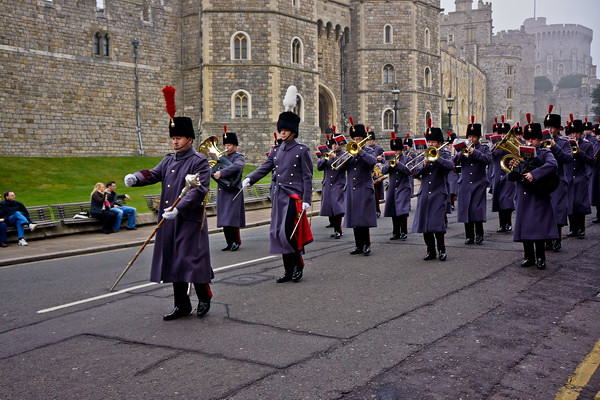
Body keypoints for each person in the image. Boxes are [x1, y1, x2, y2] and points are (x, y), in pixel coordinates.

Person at [124, 86, 214, 320]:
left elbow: (199, 190)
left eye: (178, 138)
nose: (174, 142)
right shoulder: (169, 160)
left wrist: (179, 208)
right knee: (173, 260)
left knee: (191, 260)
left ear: (189, 139)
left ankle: (204, 296)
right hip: (169, 219)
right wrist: (136, 178)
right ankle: (181, 305)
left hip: (189, 219)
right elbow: (153, 174)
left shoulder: (199, 161)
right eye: (173, 138)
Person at [243, 85, 313, 283]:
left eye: (285, 130)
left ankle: (298, 264)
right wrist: (250, 178)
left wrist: (307, 199)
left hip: (293, 197)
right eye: (281, 130)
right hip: (278, 195)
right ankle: (288, 269)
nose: (282, 133)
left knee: (289, 233)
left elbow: (307, 176)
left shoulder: (302, 150)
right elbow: (265, 167)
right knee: (277, 233)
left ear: (293, 132)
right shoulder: (276, 150)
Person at [509, 118, 558, 270]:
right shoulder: (521, 152)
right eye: (527, 139)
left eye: (533, 139)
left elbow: (553, 164)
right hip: (523, 194)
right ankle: (528, 257)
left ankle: (541, 258)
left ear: (539, 139)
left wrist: (535, 174)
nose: (530, 142)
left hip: (538, 194)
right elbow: (514, 174)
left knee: (538, 227)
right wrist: (513, 167)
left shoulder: (544, 152)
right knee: (525, 226)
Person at [411, 119, 454, 261]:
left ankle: (442, 250)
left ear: (439, 144)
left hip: (438, 193)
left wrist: (437, 158)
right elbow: (414, 173)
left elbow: (450, 166)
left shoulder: (445, 154)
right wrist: (424, 164)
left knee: (437, 224)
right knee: (425, 223)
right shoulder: (423, 154)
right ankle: (430, 251)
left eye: (433, 142)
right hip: (424, 193)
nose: (430, 144)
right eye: (429, 142)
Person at [336, 122, 378, 256]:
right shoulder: (348, 152)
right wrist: (348, 157)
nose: (356, 141)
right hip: (351, 189)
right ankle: (358, 245)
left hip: (364, 188)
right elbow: (338, 167)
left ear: (364, 139)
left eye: (359, 139)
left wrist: (359, 152)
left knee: (363, 218)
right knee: (354, 218)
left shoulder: (368, 150)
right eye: (354, 139)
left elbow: (372, 162)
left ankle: (366, 244)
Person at [453, 116, 492, 245]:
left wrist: (474, 152)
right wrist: (460, 153)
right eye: (469, 136)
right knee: (466, 209)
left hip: (478, 182)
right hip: (464, 183)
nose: (471, 139)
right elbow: (454, 162)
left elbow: (487, 160)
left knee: (477, 209)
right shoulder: (463, 149)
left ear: (478, 137)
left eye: (474, 137)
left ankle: (479, 234)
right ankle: (469, 235)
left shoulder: (484, 148)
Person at [543, 106, 573, 251]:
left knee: (557, 210)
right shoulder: (541, 141)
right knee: (545, 210)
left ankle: (557, 238)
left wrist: (554, 146)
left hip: (558, 180)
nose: (549, 130)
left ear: (558, 128)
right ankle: (547, 239)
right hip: (543, 181)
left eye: (552, 127)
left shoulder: (564, 142)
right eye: (547, 126)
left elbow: (567, 158)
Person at [214, 128, 245, 251]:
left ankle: (236, 241)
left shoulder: (239, 157)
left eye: (229, 145)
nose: (227, 147)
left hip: (233, 190)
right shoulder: (221, 157)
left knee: (232, 217)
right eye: (226, 145)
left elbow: (238, 166)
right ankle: (229, 242)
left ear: (235, 146)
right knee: (224, 217)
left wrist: (222, 172)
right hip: (223, 189)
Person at [566, 117, 594, 238]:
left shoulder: (587, 145)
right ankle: (573, 228)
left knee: (579, 203)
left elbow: (591, 161)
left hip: (580, 176)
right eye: (572, 133)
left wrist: (580, 152)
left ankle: (581, 228)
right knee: (570, 203)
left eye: (576, 133)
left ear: (581, 133)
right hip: (569, 177)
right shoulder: (565, 144)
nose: (574, 135)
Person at [382, 132, 413, 240]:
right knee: (394, 210)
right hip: (392, 187)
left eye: (397, 150)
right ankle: (396, 232)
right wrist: (390, 165)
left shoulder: (407, 159)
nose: (395, 152)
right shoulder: (390, 158)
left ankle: (404, 231)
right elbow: (383, 170)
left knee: (402, 211)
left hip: (403, 186)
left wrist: (399, 165)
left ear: (401, 150)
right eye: (394, 150)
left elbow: (410, 171)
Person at [317, 129, 346, 239]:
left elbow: (342, 166)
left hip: (338, 183)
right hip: (328, 183)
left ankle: (338, 230)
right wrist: (325, 158)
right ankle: (334, 227)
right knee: (330, 206)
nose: (334, 146)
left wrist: (335, 158)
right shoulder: (327, 154)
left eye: (336, 144)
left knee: (337, 207)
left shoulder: (344, 154)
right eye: (333, 144)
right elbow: (319, 167)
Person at [489, 117, 516, 233]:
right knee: (499, 200)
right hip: (498, 176)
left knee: (507, 200)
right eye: (502, 133)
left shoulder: (512, 145)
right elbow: (489, 156)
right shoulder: (495, 146)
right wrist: (495, 146)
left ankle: (508, 223)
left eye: (505, 133)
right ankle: (502, 224)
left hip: (508, 175)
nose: (503, 135)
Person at [367, 130, 385, 217]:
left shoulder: (379, 149)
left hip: (376, 174)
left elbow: (385, 160)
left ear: (373, 140)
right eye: (368, 140)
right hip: (368, 173)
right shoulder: (366, 149)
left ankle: (377, 210)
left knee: (376, 193)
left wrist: (380, 159)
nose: (369, 142)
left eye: (370, 140)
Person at [590, 121, 600, 223]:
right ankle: (598, 214)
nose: (599, 136)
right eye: (597, 134)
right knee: (597, 194)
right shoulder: (593, 144)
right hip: (596, 171)